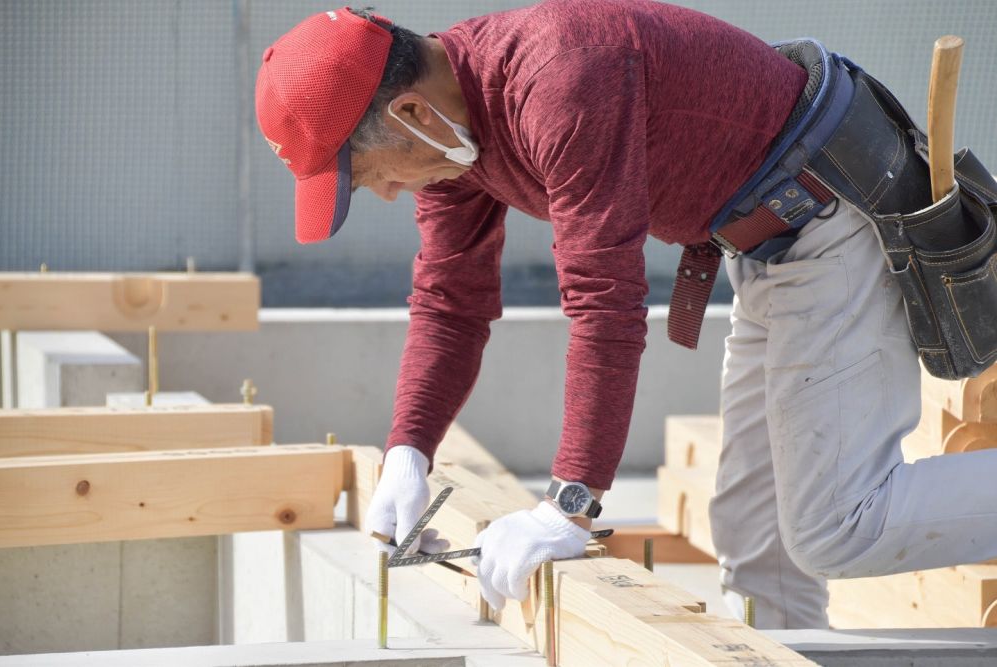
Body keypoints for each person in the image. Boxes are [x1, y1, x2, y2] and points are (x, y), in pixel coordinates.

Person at [255, 1, 997, 628]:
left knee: (835, 528)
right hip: (770, 242)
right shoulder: (451, 143)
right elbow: (451, 300)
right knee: (752, 526)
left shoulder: (560, 78)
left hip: (834, 220)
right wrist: (408, 448)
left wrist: (570, 502)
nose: (385, 193)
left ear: (410, 113)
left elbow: (606, 302)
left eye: (372, 174)